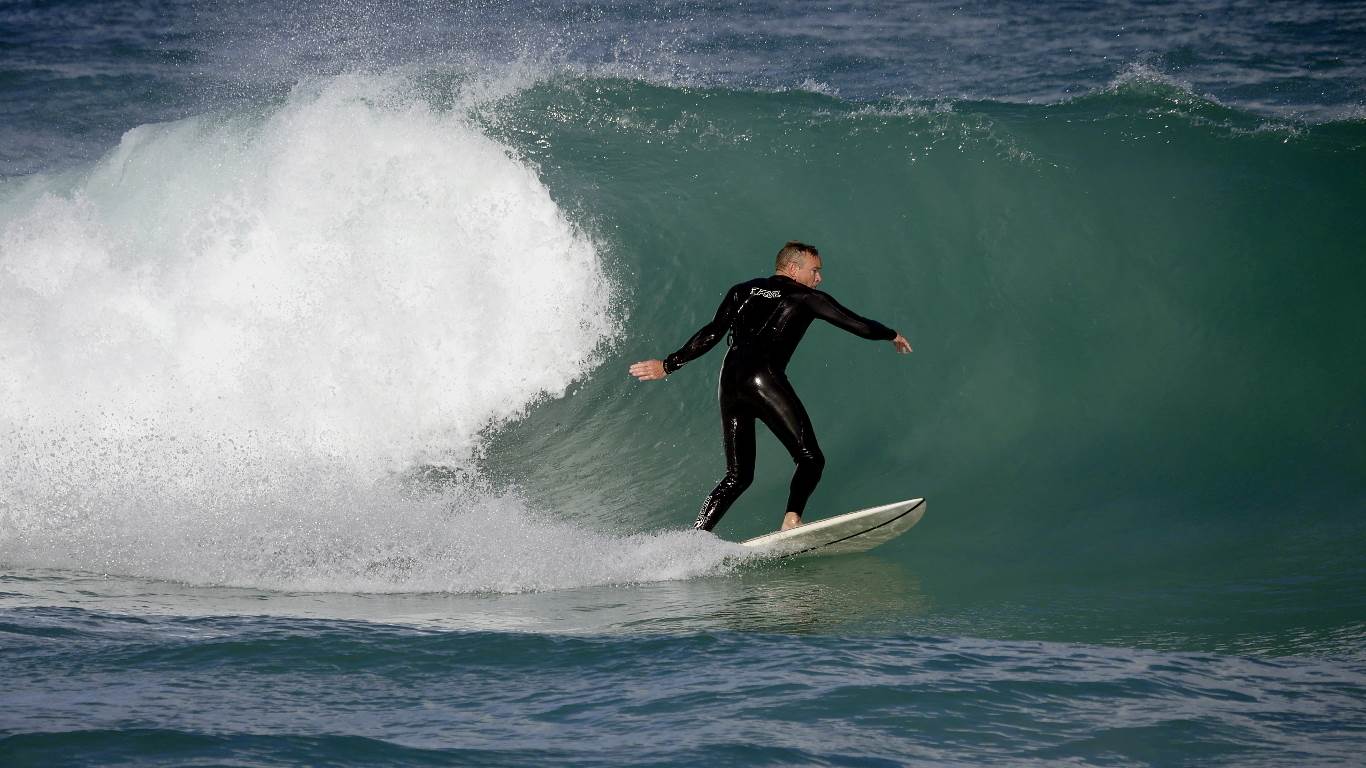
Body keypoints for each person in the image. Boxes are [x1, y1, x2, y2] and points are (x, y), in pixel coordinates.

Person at [629, 241, 912, 533]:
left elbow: (712, 332)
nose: (819, 278)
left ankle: (695, 535)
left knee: (738, 476)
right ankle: (792, 520)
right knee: (811, 459)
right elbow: (858, 324)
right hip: (763, 379)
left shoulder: (742, 290)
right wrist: (891, 334)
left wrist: (668, 364)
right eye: (815, 270)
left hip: (730, 381)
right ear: (793, 268)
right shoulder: (805, 297)